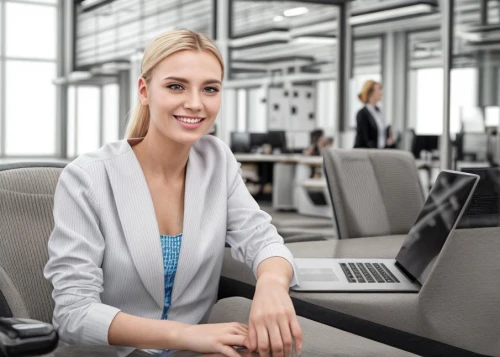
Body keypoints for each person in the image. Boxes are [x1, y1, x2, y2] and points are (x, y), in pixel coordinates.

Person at [44, 30, 302, 357]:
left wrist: (272, 286)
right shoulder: (88, 177)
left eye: (210, 89)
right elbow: (73, 313)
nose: (195, 103)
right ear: (144, 91)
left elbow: (262, 239)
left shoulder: (217, 161)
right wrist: (184, 336)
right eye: (175, 86)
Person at [353, 80, 394, 149]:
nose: (381, 92)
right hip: (367, 153)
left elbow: (381, 135)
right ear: (370, 93)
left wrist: (388, 140)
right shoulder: (362, 114)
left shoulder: (379, 112)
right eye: (379, 89)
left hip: (379, 152)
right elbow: (364, 139)